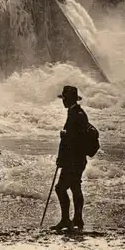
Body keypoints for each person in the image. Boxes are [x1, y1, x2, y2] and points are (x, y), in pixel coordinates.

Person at [52, 85, 88, 231]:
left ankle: (66, 220)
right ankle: (78, 219)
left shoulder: (76, 115)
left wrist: (65, 136)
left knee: (60, 188)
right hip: (78, 160)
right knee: (75, 187)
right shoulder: (76, 112)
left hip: (73, 160)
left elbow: (75, 140)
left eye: (65, 99)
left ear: (71, 99)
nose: (63, 101)